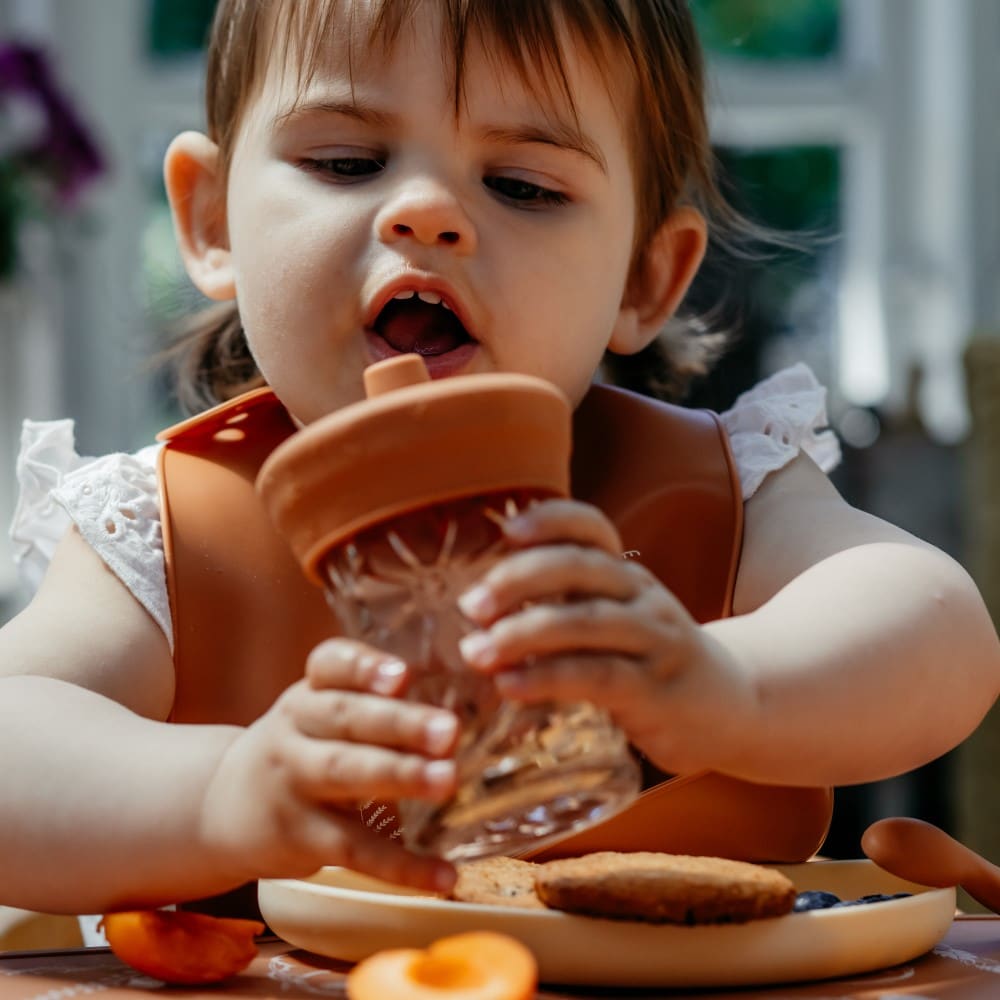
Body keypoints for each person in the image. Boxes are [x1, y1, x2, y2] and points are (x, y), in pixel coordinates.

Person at [2, 0, 999, 923]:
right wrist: (217, 796)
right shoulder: (169, 526)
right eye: (348, 161)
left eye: (522, 184)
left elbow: (940, 630)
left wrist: (725, 686)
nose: (426, 214)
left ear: (645, 277)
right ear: (212, 221)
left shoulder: (719, 491)